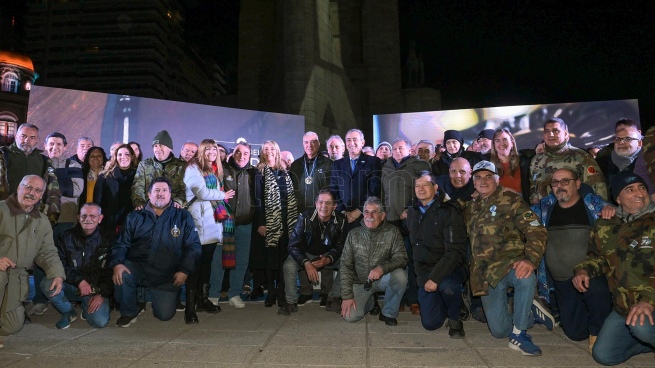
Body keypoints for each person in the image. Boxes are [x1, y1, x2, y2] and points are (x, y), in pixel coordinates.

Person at [465, 161, 547, 356]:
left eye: (488, 177)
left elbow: (536, 230)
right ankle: (529, 314)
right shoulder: (470, 206)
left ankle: (520, 335)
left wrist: (529, 259)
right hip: (485, 273)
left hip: (509, 264)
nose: (483, 181)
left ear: (497, 179)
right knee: (499, 331)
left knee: (525, 276)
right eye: (478, 177)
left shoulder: (512, 200)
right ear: (473, 182)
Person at [573, 172, 655, 365]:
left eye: (642, 188)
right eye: (630, 189)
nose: (639, 193)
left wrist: (648, 301)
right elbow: (598, 258)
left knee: (641, 325)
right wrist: (583, 270)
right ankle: (648, 342)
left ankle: (645, 333)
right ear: (618, 198)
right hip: (623, 306)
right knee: (604, 356)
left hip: (650, 301)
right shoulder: (605, 225)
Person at [532, 168, 612, 352]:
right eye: (555, 182)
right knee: (575, 333)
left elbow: (625, 212)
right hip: (561, 281)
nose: (559, 186)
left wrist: (611, 209)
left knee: (597, 293)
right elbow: (520, 215)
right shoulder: (544, 207)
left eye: (565, 181)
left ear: (577, 184)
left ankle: (598, 331)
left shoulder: (594, 205)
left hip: (591, 275)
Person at [110, 177, 201, 327]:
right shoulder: (134, 216)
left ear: (170, 194)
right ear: (148, 194)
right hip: (138, 267)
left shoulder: (183, 216)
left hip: (166, 273)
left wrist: (184, 270)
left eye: (165, 190)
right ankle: (129, 312)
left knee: (164, 315)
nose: (160, 194)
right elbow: (121, 244)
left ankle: (151, 296)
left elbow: (194, 246)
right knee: (123, 274)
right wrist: (117, 263)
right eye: (156, 190)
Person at [0, 175, 65, 346]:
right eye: (28, 187)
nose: (31, 193)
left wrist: (57, 274)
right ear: (19, 188)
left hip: (16, 278)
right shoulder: (1, 209)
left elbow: (47, 251)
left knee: (12, 326)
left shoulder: (42, 221)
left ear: (42, 195)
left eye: (37, 190)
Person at [407, 171, 468, 338]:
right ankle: (449, 303)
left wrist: (435, 278)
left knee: (448, 288)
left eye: (425, 185)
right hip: (425, 271)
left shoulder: (449, 211)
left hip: (449, 268)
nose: (420, 189)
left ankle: (455, 318)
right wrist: (424, 279)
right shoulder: (412, 212)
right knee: (431, 324)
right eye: (417, 186)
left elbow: (455, 251)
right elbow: (415, 249)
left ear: (435, 187)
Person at [30, 132, 83, 316]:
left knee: (65, 258)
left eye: (59, 144)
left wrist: (55, 171)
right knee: (39, 258)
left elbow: (74, 190)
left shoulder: (73, 165)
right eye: (51, 144)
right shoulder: (39, 163)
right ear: (45, 145)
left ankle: (68, 297)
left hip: (65, 220)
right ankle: (40, 299)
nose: (55, 147)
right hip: (40, 219)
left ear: (65, 146)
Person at [183, 139, 235, 322]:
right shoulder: (193, 168)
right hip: (198, 221)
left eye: (215, 149)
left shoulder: (215, 170)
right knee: (195, 266)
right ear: (201, 151)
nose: (212, 152)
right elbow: (201, 192)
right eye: (208, 149)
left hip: (213, 221)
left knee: (206, 264)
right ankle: (189, 309)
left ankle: (202, 300)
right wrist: (223, 195)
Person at [43, 203, 113, 329]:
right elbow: (59, 263)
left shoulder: (109, 238)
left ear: (100, 218)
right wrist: (80, 280)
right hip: (71, 285)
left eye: (92, 215)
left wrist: (102, 294)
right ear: (78, 217)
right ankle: (68, 311)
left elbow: (111, 270)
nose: (88, 219)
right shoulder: (65, 237)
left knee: (99, 321)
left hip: (95, 289)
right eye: (84, 215)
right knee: (48, 284)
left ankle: (87, 309)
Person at [381, 138, 430, 315]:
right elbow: (382, 192)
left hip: (410, 221)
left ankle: (414, 299)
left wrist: (411, 209)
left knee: (412, 260)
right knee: (395, 262)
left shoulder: (418, 165)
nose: (397, 151)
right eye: (394, 148)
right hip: (391, 222)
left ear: (410, 150)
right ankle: (398, 299)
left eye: (401, 148)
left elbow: (426, 191)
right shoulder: (386, 167)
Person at [340, 197, 408, 326]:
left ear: (382, 216)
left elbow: (402, 258)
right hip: (360, 282)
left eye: (374, 212)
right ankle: (370, 303)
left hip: (382, 279)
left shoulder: (393, 232)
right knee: (350, 317)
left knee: (400, 276)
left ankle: (388, 312)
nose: (369, 216)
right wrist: (347, 296)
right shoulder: (353, 234)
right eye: (366, 212)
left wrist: (382, 268)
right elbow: (345, 265)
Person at [280, 190, 346, 315]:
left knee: (348, 261)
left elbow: (341, 246)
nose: (324, 206)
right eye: (321, 202)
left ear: (334, 206)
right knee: (289, 264)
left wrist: (329, 259)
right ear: (316, 203)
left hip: (328, 254)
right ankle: (291, 302)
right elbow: (293, 245)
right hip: (307, 254)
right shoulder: (304, 218)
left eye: (328, 203)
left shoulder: (341, 220)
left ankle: (333, 298)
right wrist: (306, 263)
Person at [251, 140, 298, 308]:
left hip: (286, 222)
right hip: (268, 222)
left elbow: (291, 199)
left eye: (272, 149)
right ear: (262, 152)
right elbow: (257, 201)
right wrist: (262, 223)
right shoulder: (259, 173)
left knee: (282, 258)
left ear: (277, 151)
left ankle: (281, 292)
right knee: (269, 259)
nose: (269, 151)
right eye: (266, 149)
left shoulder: (286, 172)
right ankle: (271, 292)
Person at [289, 131, 334, 305]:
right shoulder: (296, 165)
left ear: (318, 144)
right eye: (306, 142)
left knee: (325, 247)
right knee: (302, 248)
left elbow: (332, 190)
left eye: (313, 142)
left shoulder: (328, 164)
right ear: (303, 144)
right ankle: (306, 290)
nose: (309, 145)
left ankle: (326, 292)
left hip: (323, 214)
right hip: (302, 215)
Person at [529, 117, 607, 204]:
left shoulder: (580, 156)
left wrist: (599, 210)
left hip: (575, 212)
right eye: (547, 131)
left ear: (566, 134)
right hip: (545, 213)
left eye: (555, 131)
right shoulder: (537, 160)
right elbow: (533, 189)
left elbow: (598, 187)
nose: (550, 134)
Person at [0, 123, 61, 224]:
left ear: (37, 140)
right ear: (16, 136)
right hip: (5, 214)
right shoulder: (3, 156)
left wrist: (51, 218)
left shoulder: (45, 162)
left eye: (32, 138)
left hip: (33, 217)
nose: (27, 141)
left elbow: (53, 192)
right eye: (23, 136)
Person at [329, 129, 382, 232]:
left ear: (362, 142)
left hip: (365, 216)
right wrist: (343, 211)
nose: (351, 143)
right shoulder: (337, 164)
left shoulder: (373, 161)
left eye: (354, 139)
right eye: (348, 140)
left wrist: (359, 210)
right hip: (343, 217)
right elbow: (333, 189)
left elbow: (374, 189)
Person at [223, 142, 256, 303]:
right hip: (226, 224)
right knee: (221, 260)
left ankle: (234, 294)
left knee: (242, 261)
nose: (241, 156)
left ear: (250, 156)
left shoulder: (253, 173)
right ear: (232, 154)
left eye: (245, 153)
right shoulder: (223, 170)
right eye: (238, 152)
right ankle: (214, 294)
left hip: (245, 224)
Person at [595, 118, 654, 203]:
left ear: (639, 143)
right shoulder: (601, 163)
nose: (621, 142)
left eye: (628, 139)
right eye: (618, 139)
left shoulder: (649, 161)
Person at [132, 130, 186, 209]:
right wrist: (139, 203)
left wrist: (178, 201)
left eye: (161, 145)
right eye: (155, 146)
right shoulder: (144, 165)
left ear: (170, 148)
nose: (158, 149)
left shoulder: (181, 166)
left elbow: (184, 188)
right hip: (149, 209)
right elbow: (137, 187)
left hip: (172, 210)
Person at [93, 144, 138, 235]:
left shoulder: (139, 175)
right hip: (108, 224)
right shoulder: (104, 176)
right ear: (115, 157)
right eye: (120, 154)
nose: (123, 157)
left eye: (127, 154)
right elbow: (97, 202)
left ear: (132, 156)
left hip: (132, 224)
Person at [489, 128, 534, 202]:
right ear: (494, 145)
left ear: (512, 143)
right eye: (497, 140)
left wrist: (515, 193)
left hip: (520, 203)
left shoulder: (524, 162)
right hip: (495, 206)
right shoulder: (488, 165)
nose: (501, 143)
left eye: (505, 139)